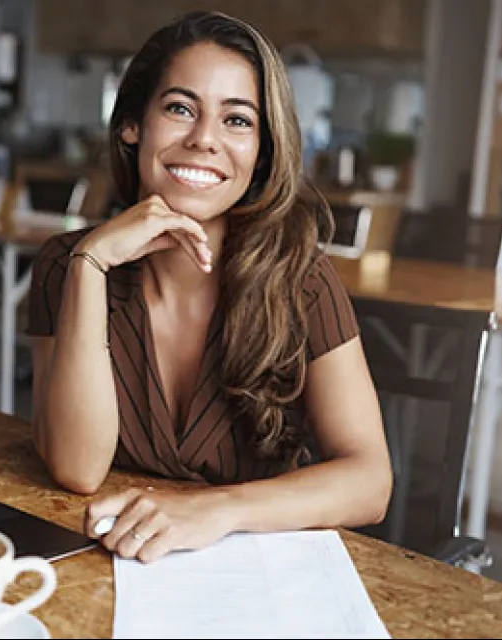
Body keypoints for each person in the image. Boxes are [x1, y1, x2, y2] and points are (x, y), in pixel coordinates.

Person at [25, 10, 392, 563]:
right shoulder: (66, 264)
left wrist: (217, 510)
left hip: (255, 574)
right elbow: (77, 470)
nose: (204, 140)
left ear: (263, 151)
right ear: (132, 124)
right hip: (109, 566)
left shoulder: (301, 279)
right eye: (179, 109)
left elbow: (370, 482)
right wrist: (91, 265)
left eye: (237, 121)